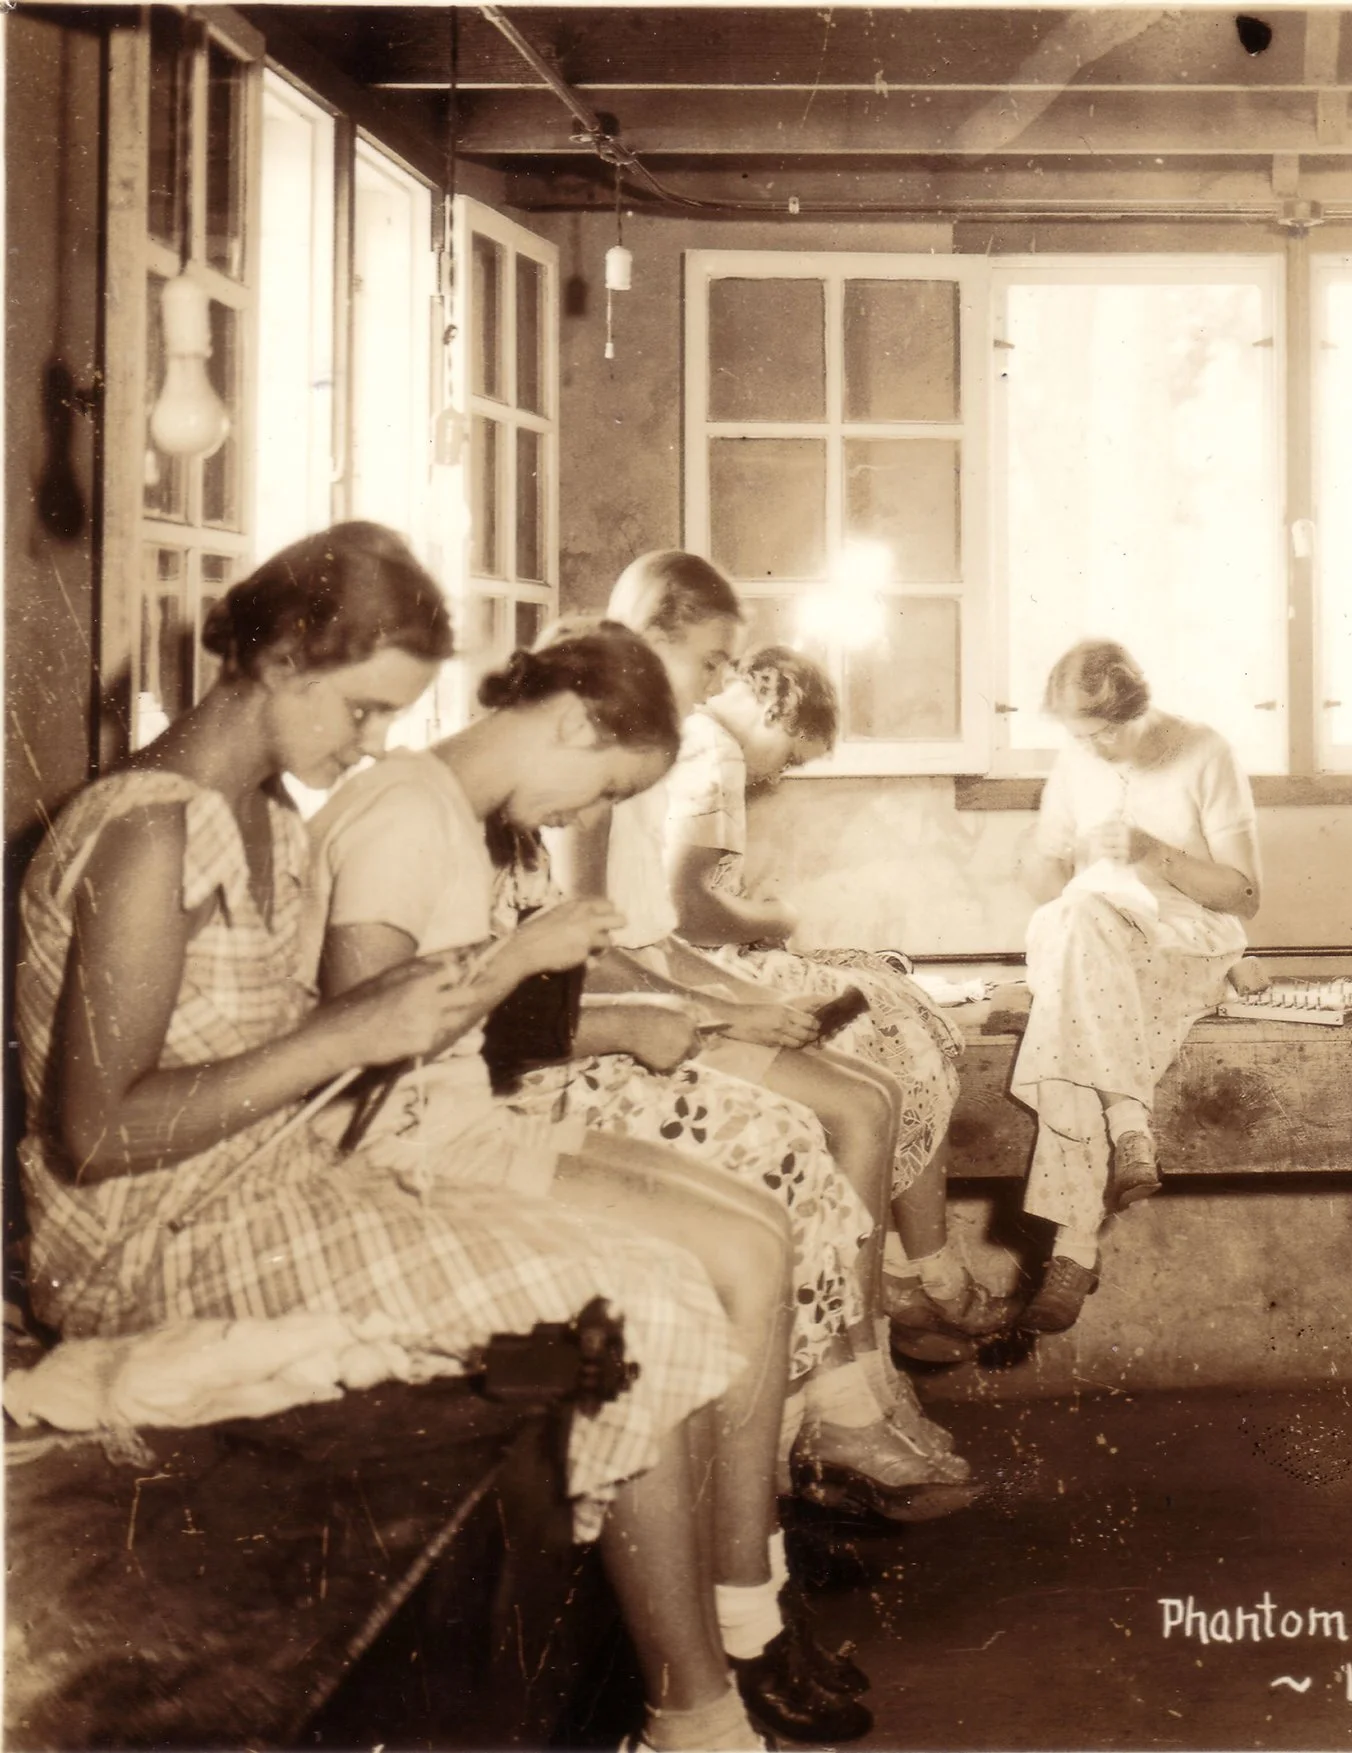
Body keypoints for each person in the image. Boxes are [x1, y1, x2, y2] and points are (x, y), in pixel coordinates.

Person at [13, 524, 791, 1751]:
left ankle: (695, 1699)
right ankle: (699, 1719)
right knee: (620, 1327)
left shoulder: (261, 821)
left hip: (271, 1190)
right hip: (139, 1244)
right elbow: (100, 1131)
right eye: (365, 708)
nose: (372, 742)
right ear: (278, 656)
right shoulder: (145, 827)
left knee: (667, 1290)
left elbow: (307, 1074)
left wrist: (400, 1023)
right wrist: (348, 1035)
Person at [556, 554, 970, 1492]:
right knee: (852, 1111)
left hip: (658, 994)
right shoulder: (600, 762)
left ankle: (863, 1374)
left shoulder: (652, 749)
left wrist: (747, 1000)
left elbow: (655, 932)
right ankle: (843, 1397)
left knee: (875, 1090)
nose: (716, 687)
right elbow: (593, 946)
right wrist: (719, 1002)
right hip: (613, 1026)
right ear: (651, 631)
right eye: (709, 661)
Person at [665, 645, 1012, 1352]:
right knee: (900, 1014)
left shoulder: (696, 739)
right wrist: (776, 918)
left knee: (892, 994)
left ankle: (907, 1272)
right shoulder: (716, 751)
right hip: (698, 971)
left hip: (693, 964)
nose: (779, 773)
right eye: (790, 756)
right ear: (773, 707)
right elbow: (689, 908)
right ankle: (921, 1272)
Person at [1010, 640, 1262, 1332]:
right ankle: (1128, 1129)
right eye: (1078, 735)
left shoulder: (1205, 752)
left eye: (1101, 733)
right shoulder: (1074, 762)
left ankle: (1075, 1245)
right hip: (1099, 945)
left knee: (1068, 988)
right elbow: (1048, 885)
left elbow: (1245, 895)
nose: (1091, 748)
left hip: (1181, 941)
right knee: (1074, 917)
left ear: (1133, 712)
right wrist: (1042, 851)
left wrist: (1155, 852)